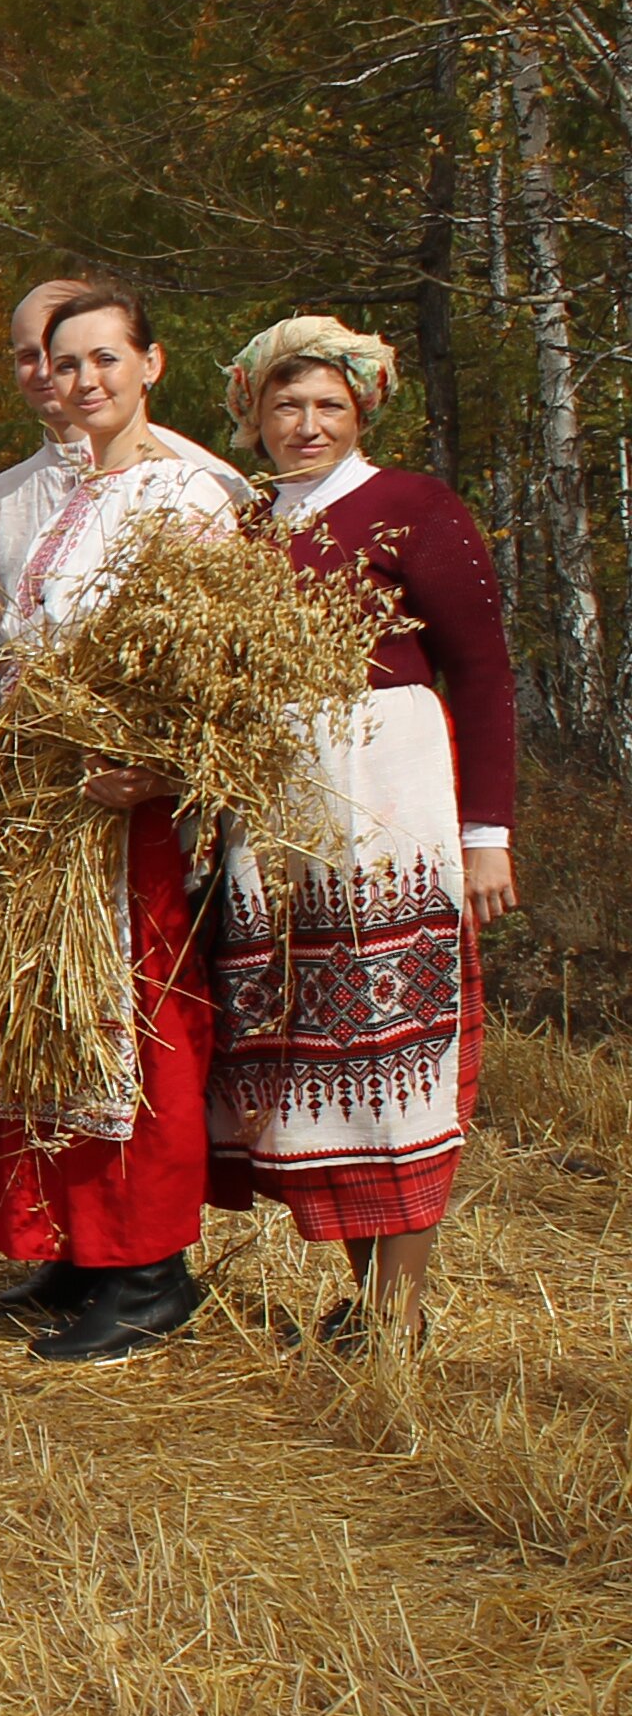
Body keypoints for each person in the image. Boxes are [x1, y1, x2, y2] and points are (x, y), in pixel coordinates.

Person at [0, 278, 256, 1361]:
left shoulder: (190, 493)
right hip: (51, 796)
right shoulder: (68, 493)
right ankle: (85, 1242)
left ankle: (151, 1267)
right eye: (66, 364)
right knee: (60, 1025)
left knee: (138, 1030)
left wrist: (157, 767)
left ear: (150, 363)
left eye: (105, 359)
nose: (83, 381)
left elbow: (223, 667)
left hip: (132, 811)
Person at [203, 316, 518, 1349]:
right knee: (312, 1048)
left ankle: (399, 1308)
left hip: (389, 787)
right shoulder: (244, 529)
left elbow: (480, 671)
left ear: (363, 409)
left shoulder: (414, 509)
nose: (307, 424)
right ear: (253, 416)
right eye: (286, 405)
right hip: (280, 802)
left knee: (398, 1044)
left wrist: (487, 833)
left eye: (328, 405)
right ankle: (359, 1290)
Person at [0, 276, 94, 676]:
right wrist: (6, 678)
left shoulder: (180, 477)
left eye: (59, 353)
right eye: (28, 356)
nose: (45, 371)